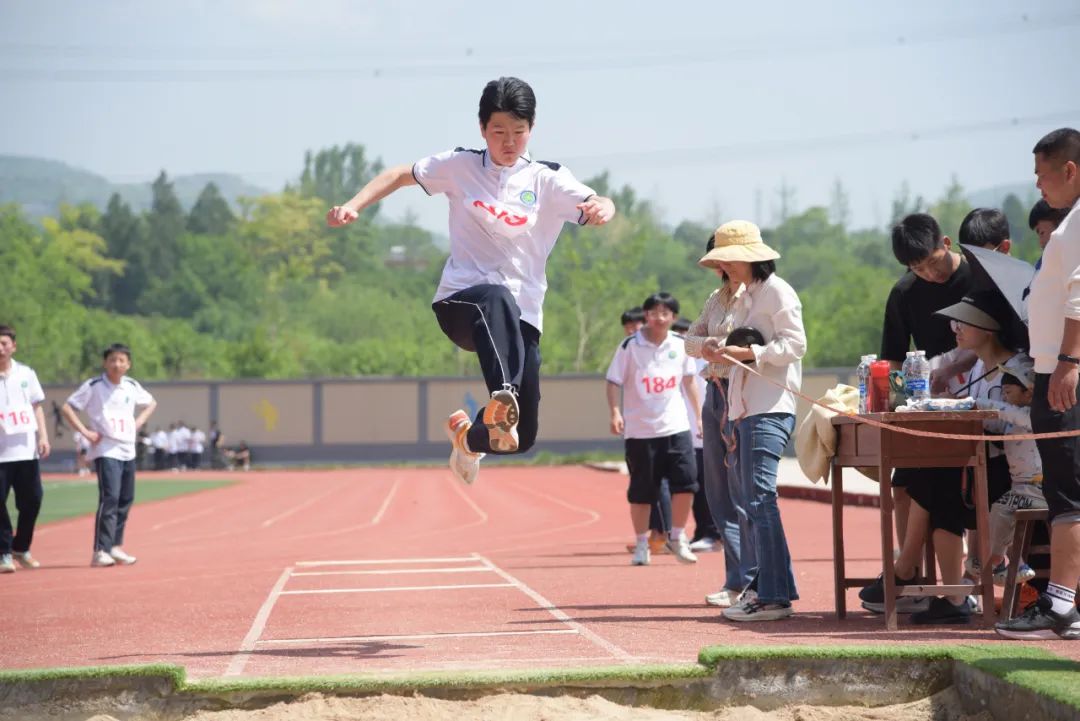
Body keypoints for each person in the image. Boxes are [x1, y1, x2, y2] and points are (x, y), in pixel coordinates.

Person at [326, 76, 616, 485]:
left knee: (522, 437)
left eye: (518, 132)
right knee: (494, 296)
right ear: (483, 129)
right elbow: (398, 175)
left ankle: (469, 437)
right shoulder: (459, 166)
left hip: (522, 317)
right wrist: (353, 206)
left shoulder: (547, 179)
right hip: (461, 303)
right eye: (498, 132)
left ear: (531, 129)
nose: (509, 141)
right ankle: (503, 397)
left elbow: (595, 201)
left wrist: (603, 206)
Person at [866, 213, 976, 602]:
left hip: (975, 405)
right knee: (901, 486)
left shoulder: (977, 279)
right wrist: (895, 408)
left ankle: (914, 574)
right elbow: (893, 360)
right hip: (926, 405)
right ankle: (910, 573)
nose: (929, 273)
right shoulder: (904, 293)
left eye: (932, 262)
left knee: (938, 486)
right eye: (917, 268)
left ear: (946, 243)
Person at [699, 220, 806, 622]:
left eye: (725, 258)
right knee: (757, 499)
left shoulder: (777, 291)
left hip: (771, 405)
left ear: (742, 259)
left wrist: (746, 355)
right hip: (746, 406)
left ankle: (773, 594)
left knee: (760, 498)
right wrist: (723, 351)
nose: (722, 266)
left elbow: (796, 344)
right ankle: (770, 589)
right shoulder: (746, 297)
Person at [997, 127, 1080, 640]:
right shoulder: (1068, 224)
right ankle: (1065, 602)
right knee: (1066, 491)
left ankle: (1062, 605)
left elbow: (1079, 296)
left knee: (1070, 495)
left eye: (1042, 175)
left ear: (1070, 170)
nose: (1038, 187)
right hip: (1055, 365)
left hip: (1066, 371)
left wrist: (1070, 360)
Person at [899, 291, 1027, 624]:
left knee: (930, 480)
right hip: (976, 466)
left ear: (988, 328)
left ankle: (911, 571)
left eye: (964, 323)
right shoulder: (976, 370)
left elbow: (1015, 423)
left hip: (1008, 474)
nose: (956, 330)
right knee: (925, 476)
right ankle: (947, 591)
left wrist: (974, 410)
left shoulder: (1018, 369)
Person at [606, 292, 701, 566]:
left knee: (686, 484)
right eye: (654, 312)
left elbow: (690, 381)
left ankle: (678, 536)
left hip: (676, 427)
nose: (660, 318)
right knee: (642, 492)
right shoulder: (629, 347)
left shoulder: (680, 344)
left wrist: (698, 417)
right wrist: (614, 412)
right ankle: (641, 544)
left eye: (665, 313)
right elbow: (613, 381)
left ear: (673, 318)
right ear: (646, 315)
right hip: (640, 431)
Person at [685, 234, 753, 607]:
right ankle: (735, 580)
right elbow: (691, 340)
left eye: (728, 259)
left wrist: (724, 348)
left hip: (743, 395)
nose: (723, 267)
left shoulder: (760, 298)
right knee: (718, 490)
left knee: (744, 490)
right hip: (714, 392)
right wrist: (709, 347)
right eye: (718, 260)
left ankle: (752, 580)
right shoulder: (716, 299)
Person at [61, 343, 157, 568]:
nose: (117, 364)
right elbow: (68, 408)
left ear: (128, 364)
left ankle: (115, 546)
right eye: (112, 360)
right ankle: (100, 550)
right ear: (105, 362)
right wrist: (85, 432)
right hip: (106, 448)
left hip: (127, 448)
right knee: (110, 498)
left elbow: (151, 402)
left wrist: (139, 421)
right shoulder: (94, 386)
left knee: (125, 499)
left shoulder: (131, 386)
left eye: (121, 360)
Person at [971, 360, 1045, 585]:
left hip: (1039, 487)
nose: (1005, 397)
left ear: (1029, 392)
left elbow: (1007, 413)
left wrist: (977, 402)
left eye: (1009, 392)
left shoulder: (1035, 416)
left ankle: (996, 561)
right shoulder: (1013, 420)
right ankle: (1017, 562)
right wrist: (965, 411)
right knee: (1007, 511)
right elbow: (995, 423)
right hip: (1021, 487)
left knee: (1002, 509)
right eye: (1002, 392)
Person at [0, 324, 50, 573]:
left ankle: (21, 547)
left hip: (25, 450)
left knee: (33, 500)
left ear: (13, 346)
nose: (0, 349)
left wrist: (43, 436)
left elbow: (36, 406)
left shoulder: (26, 374)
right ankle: (4, 552)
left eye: (4, 344)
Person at [673, 316, 719, 552]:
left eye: (686, 335)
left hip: (705, 433)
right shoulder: (674, 362)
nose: (681, 339)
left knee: (708, 485)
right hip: (684, 433)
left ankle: (713, 533)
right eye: (678, 335)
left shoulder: (706, 364)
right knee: (693, 485)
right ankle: (702, 531)